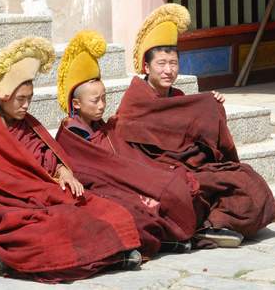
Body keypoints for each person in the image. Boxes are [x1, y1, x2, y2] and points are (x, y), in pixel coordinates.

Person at [0, 37, 143, 284]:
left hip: (47, 192)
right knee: (54, 230)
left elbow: (47, 155)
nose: (26, 106)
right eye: (20, 99)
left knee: (112, 211)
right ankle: (111, 258)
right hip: (10, 206)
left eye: (29, 98)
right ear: (2, 96)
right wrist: (26, 195)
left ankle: (112, 254)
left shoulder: (24, 123)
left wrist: (63, 171)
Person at [113, 4, 275, 247]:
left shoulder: (179, 95)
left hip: (189, 166)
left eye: (173, 63)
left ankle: (214, 225)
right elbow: (126, 144)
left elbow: (191, 134)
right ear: (146, 67)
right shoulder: (135, 100)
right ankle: (210, 226)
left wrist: (211, 107)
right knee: (201, 188)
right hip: (157, 172)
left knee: (246, 177)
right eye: (161, 64)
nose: (168, 70)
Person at [54, 30, 202, 258]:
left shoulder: (103, 127)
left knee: (165, 187)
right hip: (98, 188)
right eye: (95, 101)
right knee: (136, 208)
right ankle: (155, 243)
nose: (102, 105)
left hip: (117, 181)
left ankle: (170, 238)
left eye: (104, 98)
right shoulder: (70, 136)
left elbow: (123, 159)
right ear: (76, 103)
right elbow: (86, 170)